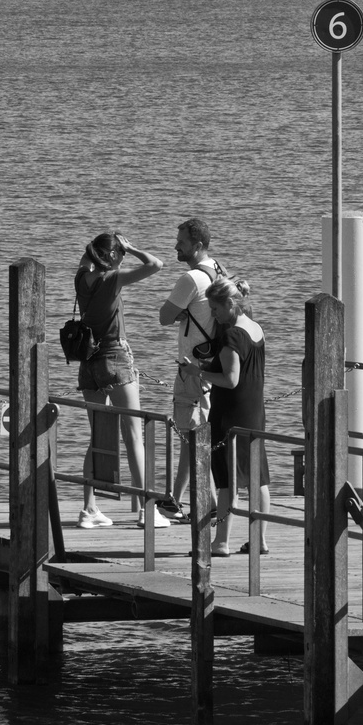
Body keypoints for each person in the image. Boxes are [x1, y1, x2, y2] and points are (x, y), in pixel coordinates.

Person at [73, 232, 163, 529]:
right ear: (112, 256)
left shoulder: (81, 279)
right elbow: (155, 264)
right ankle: (146, 511)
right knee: (134, 434)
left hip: (89, 363)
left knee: (98, 436)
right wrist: (133, 247)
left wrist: (106, 249)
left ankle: (89, 510)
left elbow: (87, 260)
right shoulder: (112, 279)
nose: (123, 258)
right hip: (115, 358)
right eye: (120, 254)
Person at [184, 276, 269, 556]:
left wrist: (197, 372)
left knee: (226, 481)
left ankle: (221, 541)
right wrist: (210, 365)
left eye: (215, 308)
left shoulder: (232, 334)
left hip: (230, 413)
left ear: (230, 304)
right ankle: (259, 539)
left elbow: (230, 379)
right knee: (258, 479)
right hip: (254, 411)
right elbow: (242, 368)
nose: (213, 314)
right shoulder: (256, 329)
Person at [157, 218, 227, 521]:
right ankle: (177, 499)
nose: (176, 246)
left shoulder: (191, 279)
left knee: (191, 433)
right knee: (192, 433)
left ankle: (206, 503)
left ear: (197, 245)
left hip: (192, 369)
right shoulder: (219, 271)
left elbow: (163, 316)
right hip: (215, 365)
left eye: (181, 242)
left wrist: (182, 312)